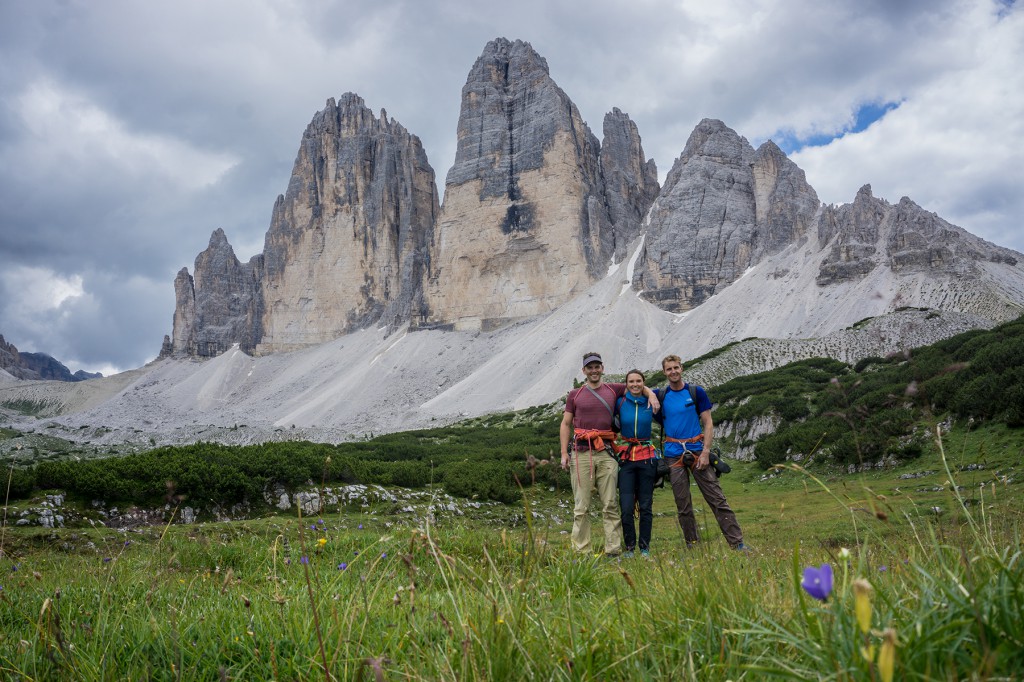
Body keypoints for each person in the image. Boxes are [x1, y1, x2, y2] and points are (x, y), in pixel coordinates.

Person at [560, 352, 659, 556]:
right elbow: (566, 423)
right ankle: (581, 551)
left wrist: (652, 394)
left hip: (606, 452)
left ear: (602, 368)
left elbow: (638, 385)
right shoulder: (574, 395)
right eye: (590, 367)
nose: (594, 370)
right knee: (581, 505)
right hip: (580, 453)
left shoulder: (614, 389)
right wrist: (564, 453)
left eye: (597, 366)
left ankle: (613, 549)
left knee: (610, 503)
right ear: (584, 371)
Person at [657, 354, 749, 551]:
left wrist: (706, 451)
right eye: (669, 369)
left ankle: (737, 543)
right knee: (683, 505)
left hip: (698, 451)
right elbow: (639, 390)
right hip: (673, 454)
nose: (673, 372)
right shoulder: (660, 395)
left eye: (676, 368)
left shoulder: (696, 392)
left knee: (716, 498)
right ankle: (693, 545)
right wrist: (648, 393)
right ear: (664, 372)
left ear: (682, 368)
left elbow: (708, 423)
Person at [615, 369, 659, 558]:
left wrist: (651, 394)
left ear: (643, 382)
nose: (635, 384)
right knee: (625, 507)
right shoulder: (620, 402)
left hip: (647, 457)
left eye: (639, 381)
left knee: (646, 506)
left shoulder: (651, 402)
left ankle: (644, 548)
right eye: (631, 381)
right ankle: (630, 547)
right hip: (626, 459)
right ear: (626, 384)